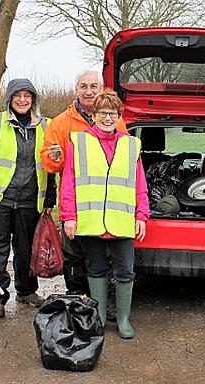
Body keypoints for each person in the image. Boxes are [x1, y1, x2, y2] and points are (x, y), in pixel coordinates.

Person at [60, 90, 149, 339]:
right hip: (92, 221)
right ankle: (98, 318)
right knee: (96, 269)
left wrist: (142, 215)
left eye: (112, 113)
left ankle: (122, 319)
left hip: (122, 222)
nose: (107, 118)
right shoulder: (78, 142)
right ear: (94, 114)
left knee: (125, 271)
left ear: (118, 116)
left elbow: (140, 184)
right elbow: (69, 182)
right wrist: (69, 215)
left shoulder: (131, 145)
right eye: (102, 113)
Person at [0, 78, 56, 319]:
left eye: (27, 96)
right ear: (9, 98)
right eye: (17, 95)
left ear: (33, 100)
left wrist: (50, 199)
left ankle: (27, 291)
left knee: (26, 248)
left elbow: (50, 166)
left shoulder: (45, 126)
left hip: (31, 200)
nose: (22, 100)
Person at [40, 70, 127, 297]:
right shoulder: (60, 123)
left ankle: (102, 301)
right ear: (76, 90)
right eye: (83, 86)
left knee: (106, 257)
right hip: (76, 204)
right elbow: (49, 163)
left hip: (109, 206)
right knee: (74, 256)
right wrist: (54, 157)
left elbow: (126, 163)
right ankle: (77, 299)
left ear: (102, 89)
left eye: (93, 86)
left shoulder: (118, 122)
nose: (88, 91)